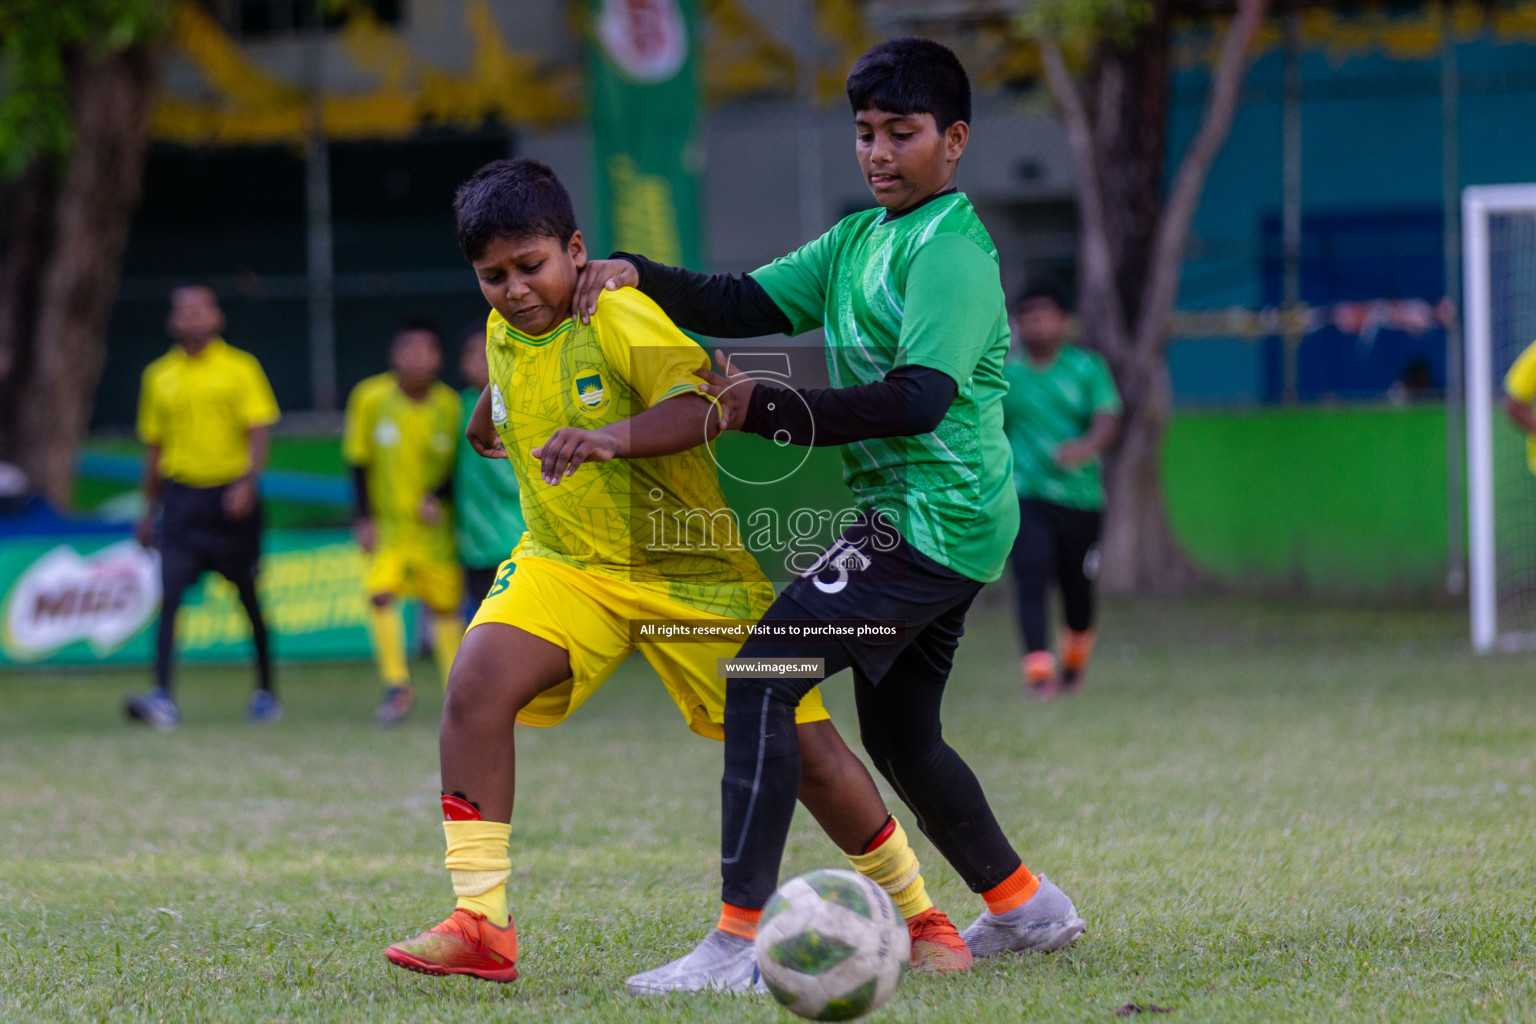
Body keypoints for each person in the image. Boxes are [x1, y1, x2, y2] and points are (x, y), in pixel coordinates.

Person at [575, 37, 1088, 993]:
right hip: (931, 521)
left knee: (763, 671)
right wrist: (638, 272)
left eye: (903, 133)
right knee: (899, 738)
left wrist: (762, 410)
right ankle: (1025, 906)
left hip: (931, 521)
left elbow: (916, 400)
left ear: (957, 140)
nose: (879, 153)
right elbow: (742, 299)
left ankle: (735, 944)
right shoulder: (858, 240)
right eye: (864, 133)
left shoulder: (953, 255)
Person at [382, 157, 969, 988]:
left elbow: (707, 407)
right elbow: (517, 379)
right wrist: (491, 413)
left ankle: (921, 917)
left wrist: (611, 437)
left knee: (807, 751)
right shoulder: (504, 326)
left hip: (688, 572)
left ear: (576, 250)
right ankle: (481, 921)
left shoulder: (618, 313)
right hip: (568, 560)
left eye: (531, 266)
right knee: (475, 690)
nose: (514, 289)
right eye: (493, 276)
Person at [125, 284, 281, 729]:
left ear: (217, 318)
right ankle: (161, 696)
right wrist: (146, 510)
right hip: (181, 501)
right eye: (183, 311)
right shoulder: (158, 376)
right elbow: (154, 448)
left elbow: (258, 429)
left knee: (249, 597)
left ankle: (266, 691)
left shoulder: (240, 368)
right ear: (173, 321)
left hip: (232, 500)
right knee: (170, 595)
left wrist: (248, 481)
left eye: (200, 309)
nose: (192, 317)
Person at [1002, 283, 1121, 699]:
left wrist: (1086, 447)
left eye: (1044, 315)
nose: (1036, 324)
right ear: (1018, 325)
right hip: (1026, 495)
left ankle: (1073, 664)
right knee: (1030, 577)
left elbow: (1108, 417)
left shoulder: (1087, 368)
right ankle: (1039, 674)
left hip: (1080, 499)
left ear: (1062, 321)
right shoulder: (1005, 377)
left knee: (1077, 589)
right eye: (1027, 317)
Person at [343, 320, 464, 725]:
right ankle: (397, 685)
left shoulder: (451, 405)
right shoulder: (370, 397)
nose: (415, 358)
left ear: (438, 358)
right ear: (394, 356)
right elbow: (358, 461)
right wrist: (362, 518)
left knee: (445, 610)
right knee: (379, 594)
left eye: (424, 350)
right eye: (406, 349)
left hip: (435, 534)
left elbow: (461, 466)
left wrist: (438, 497)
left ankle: (458, 693)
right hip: (388, 528)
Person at [452, 328, 525, 616]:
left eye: (487, 353)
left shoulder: (523, 400)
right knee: (484, 611)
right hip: (476, 535)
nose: (481, 361)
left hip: (519, 531)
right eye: (473, 354)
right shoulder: (454, 407)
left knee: (520, 611)